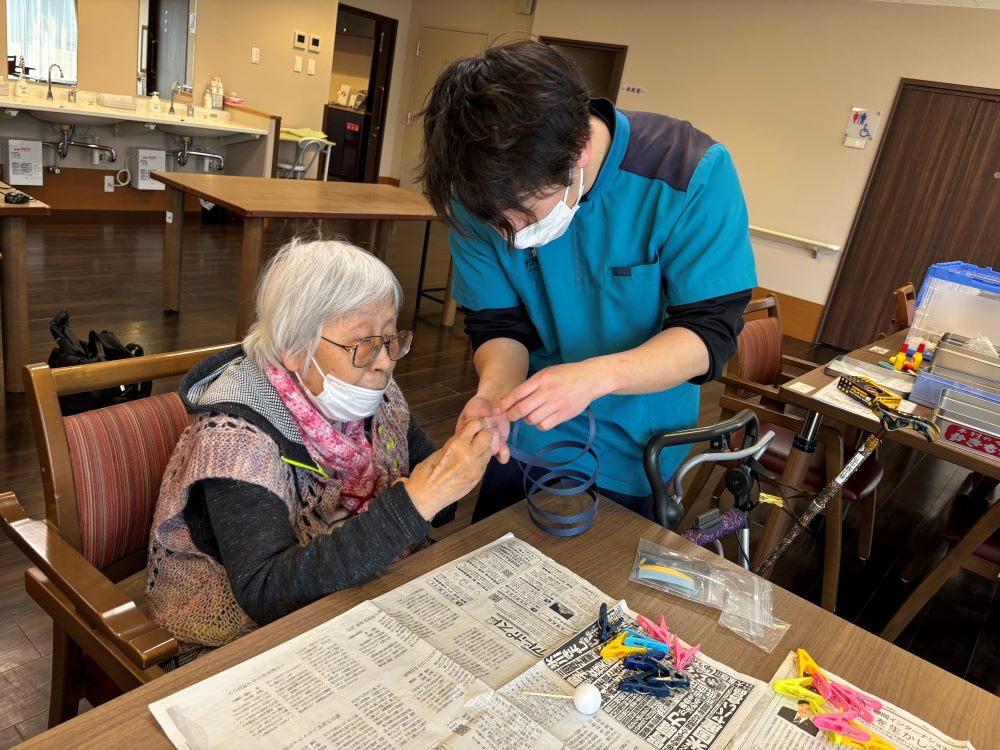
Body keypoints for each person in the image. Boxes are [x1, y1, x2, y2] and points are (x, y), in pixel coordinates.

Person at [419, 40, 757, 521]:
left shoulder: (688, 172)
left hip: (639, 444)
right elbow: (498, 323)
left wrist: (595, 377)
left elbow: (709, 333)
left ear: (579, 150)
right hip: (527, 432)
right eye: (495, 223)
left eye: (524, 214)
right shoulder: (475, 193)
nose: (512, 239)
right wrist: (493, 394)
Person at [146, 238, 494, 656]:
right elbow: (264, 591)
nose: (385, 361)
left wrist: (466, 455)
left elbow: (433, 496)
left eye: (390, 338)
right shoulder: (236, 442)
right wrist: (417, 500)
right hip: (241, 632)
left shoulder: (370, 395)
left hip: (358, 593)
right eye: (362, 343)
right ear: (294, 349)